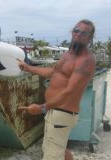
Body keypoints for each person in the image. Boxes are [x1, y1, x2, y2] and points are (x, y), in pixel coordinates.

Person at [17, 19, 96, 160]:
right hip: (53, 111)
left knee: (52, 156)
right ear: (72, 32)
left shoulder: (86, 61)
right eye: (76, 30)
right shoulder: (68, 55)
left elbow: (69, 92)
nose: (78, 34)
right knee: (54, 150)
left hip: (63, 113)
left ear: (89, 37)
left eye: (84, 33)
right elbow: (52, 72)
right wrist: (28, 68)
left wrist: (41, 108)